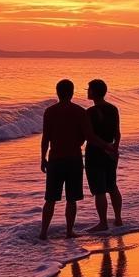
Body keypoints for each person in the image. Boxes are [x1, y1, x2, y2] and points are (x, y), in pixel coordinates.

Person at [39, 79, 88, 240]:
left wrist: (42, 158)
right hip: (73, 158)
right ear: (72, 92)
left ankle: (43, 232)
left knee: (50, 199)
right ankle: (69, 231)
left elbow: (45, 138)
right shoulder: (80, 111)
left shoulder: (50, 111)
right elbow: (84, 136)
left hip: (55, 159)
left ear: (57, 92)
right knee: (72, 199)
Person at [85, 78, 123, 232]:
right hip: (111, 152)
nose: (87, 91)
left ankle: (103, 222)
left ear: (94, 92)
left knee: (99, 190)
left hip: (95, 152)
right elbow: (117, 133)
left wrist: (105, 147)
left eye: (89, 89)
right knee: (112, 185)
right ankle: (118, 219)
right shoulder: (113, 109)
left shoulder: (90, 112)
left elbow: (90, 137)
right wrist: (114, 148)